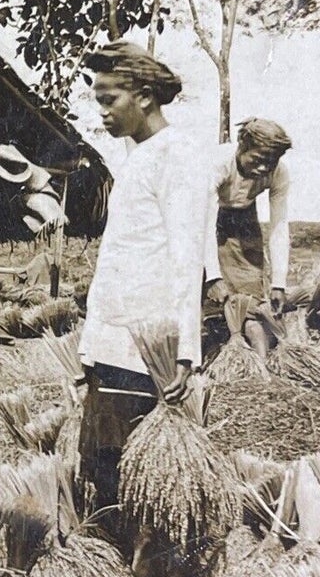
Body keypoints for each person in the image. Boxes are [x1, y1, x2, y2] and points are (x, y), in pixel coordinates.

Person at [77, 41, 209, 537]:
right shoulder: (137, 158)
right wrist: (90, 346)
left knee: (140, 480)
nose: (103, 113)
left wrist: (186, 351)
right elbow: (116, 259)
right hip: (114, 340)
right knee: (103, 470)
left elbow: (185, 258)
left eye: (110, 100)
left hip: (148, 347)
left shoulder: (178, 156)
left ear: (146, 97)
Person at [204, 118, 293, 358]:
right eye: (258, 160)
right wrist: (212, 277)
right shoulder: (218, 163)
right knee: (206, 296)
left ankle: (258, 365)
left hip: (243, 219)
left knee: (250, 300)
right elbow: (203, 225)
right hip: (201, 218)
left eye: (271, 162)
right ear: (242, 145)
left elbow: (279, 227)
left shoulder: (279, 173)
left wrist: (279, 283)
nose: (264, 168)